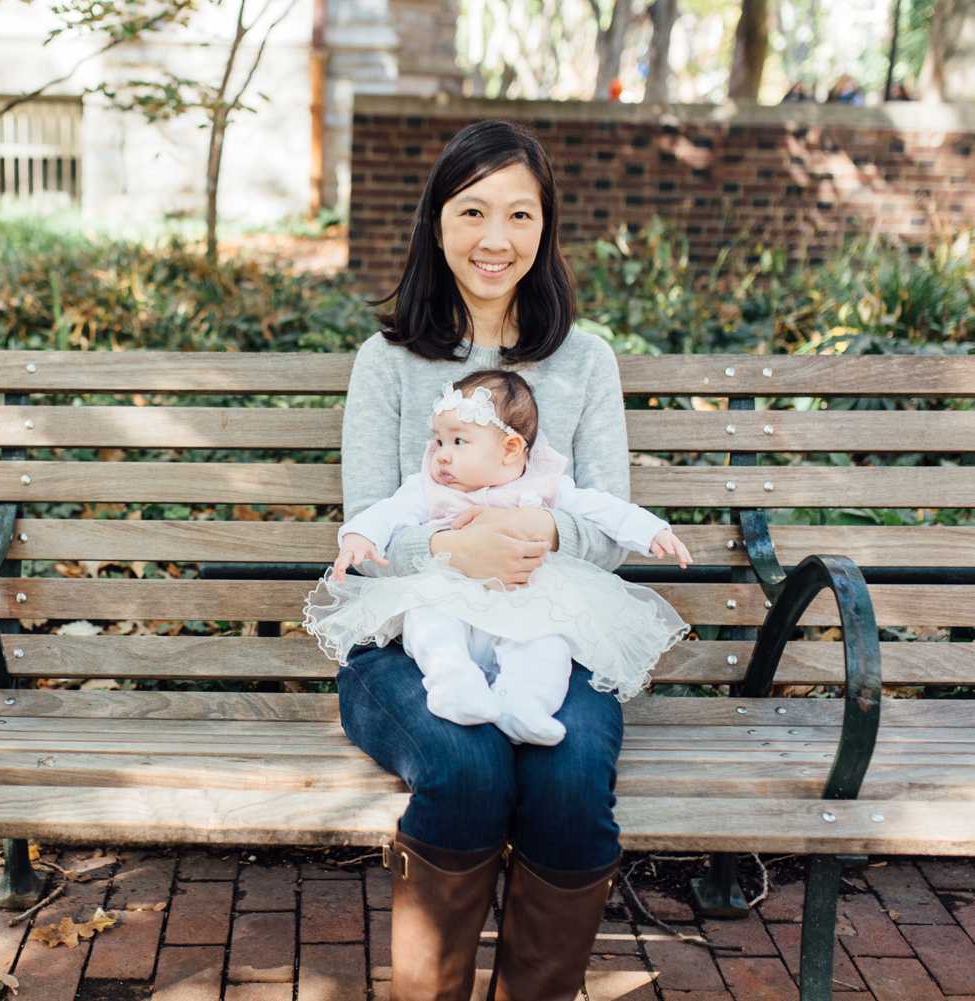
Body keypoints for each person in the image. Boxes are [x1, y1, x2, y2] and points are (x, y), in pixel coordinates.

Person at [333, 118, 644, 1001]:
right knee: (468, 766)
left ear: (546, 230)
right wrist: (449, 546)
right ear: (438, 222)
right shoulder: (388, 362)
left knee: (571, 772)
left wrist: (552, 535)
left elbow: (612, 533)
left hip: (549, 635)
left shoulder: (585, 363)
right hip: (408, 646)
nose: (495, 239)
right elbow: (367, 530)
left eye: (520, 215)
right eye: (473, 212)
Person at [304, 369, 691, 746]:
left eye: (458, 442)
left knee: (546, 640)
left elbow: (602, 509)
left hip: (523, 597)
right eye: (438, 441)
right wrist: (358, 536)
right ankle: (453, 682)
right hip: (449, 596)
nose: (441, 456)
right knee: (429, 621)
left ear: (510, 449)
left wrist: (651, 531)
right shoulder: (427, 490)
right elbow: (385, 513)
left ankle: (524, 704)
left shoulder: (544, 485)